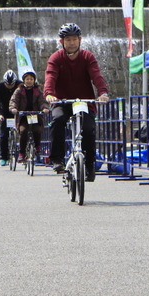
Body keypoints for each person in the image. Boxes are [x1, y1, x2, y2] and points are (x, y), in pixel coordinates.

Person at [44, 23, 109, 182]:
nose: (71, 42)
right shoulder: (56, 57)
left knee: (88, 128)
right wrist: (49, 94)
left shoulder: (88, 57)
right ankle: (57, 160)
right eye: (68, 39)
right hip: (62, 101)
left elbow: (96, 76)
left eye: (74, 39)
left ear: (80, 40)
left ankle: (89, 165)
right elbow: (50, 76)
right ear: (62, 42)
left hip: (84, 102)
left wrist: (102, 93)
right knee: (58, 120)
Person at [9, 71, 50, 162]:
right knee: (23, 131)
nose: (29, 81)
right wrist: (14, 108)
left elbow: (42, 101)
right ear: (23, 80)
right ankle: (22, 152)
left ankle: (37, 147)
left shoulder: (38, 90)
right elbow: (14, 100)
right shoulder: (19, 90)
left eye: (31, 79)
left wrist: (45, 108)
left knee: (37, 130)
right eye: (27, 79)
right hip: (23, 116)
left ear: (34, 80)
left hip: (35, 115)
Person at [0, 69, 20, 166]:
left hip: (17, 111)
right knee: (4, 135)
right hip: (4, 112)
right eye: (8, 85)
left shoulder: (20, 85)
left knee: (24, 132)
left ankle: (24, 154)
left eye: (12, 85)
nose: (10, 87)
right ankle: (4, 157)